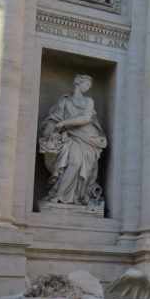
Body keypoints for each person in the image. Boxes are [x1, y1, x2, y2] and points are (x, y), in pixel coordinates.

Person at [38, 74, 107, 208]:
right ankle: (60, 195)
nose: (88, 88)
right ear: (78, 83)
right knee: (69, 162)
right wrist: (54, 127)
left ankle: (63, 196)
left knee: (76, 163)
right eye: (86, 84)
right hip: (69, 136)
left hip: (87, 138)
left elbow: (86, 118)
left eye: (89, 86)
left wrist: (64, 123)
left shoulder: (88, 101)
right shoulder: (65, 101)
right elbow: (54, 119)